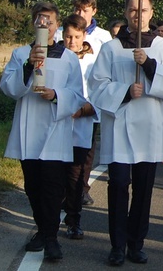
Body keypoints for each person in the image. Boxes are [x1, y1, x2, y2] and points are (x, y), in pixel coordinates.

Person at [88, 0, 163, 266]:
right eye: (132, 10)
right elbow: (97, 86)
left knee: (144, 187)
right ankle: (117, 244)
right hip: (119, 124)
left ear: (151, 13)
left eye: (143, 10)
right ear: (125, 12)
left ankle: (136, 243)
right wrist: (126, 91)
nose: (137, 15)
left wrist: (149, 64)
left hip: (150, 125)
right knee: (118, 184)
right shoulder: (111, 48)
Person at [0, 2, 86, 262]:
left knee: (52, 187)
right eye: (39, 19)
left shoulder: (69, 57)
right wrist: (28, 67)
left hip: (55, 129)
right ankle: (43, 229)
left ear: (56, 25)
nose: (44, 24)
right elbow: (8, 87)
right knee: (33, 186)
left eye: (49, 20)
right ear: (32, 23)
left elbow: (77, 94)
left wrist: (56, 95)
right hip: (29, 127)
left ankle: (50, 239)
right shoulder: (20, 53)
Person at [59, 14, 99, 241]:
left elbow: (100, 92)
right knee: (56, 175)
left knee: (76, 176)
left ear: (84, 36)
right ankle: (51, 217)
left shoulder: (93, 61)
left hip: (83, 123)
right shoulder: (57, 57)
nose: (71, 41)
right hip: (59, 122)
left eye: (76, 36)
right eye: (67, 36)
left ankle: (74, 220)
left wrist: (86, 109)